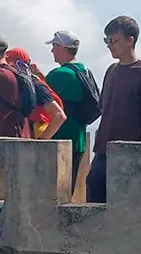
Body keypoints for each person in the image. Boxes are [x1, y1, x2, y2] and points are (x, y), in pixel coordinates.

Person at [86, 15, 141, 203]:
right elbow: (104, 108)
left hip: (129, 155)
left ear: (130, 40)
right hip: (103, 152)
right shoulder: (111, 71)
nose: (110, 45)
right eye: (107, 41)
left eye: (114, 40)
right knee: (94, 196)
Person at [42, 30, 97, 196]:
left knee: (49, 197)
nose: (52, 50)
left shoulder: (58, 74)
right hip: (78, 140)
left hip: (57, 140)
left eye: (54, 46)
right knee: (66, 195)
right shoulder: (85, 72)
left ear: (62, 47)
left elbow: (40, 98)